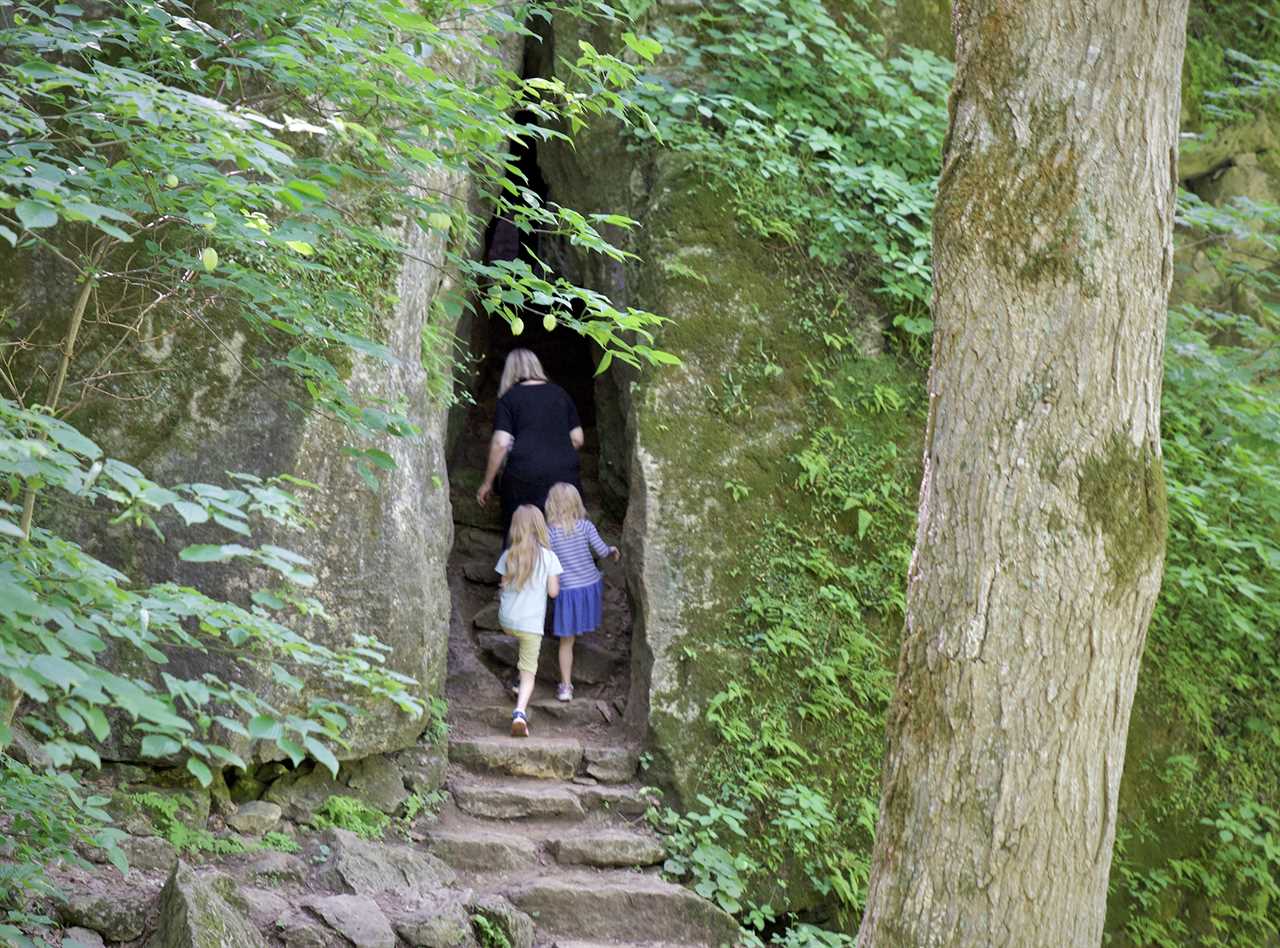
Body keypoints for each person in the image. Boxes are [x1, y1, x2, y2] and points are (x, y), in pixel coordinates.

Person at [476, 348, 584, 544]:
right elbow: (577, 438)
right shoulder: (560, 394)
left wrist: (487, 482)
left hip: (524, 475)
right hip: (565, 473)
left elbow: (501, 442)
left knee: (522, 533)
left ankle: (521, 569)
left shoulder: (508, 399)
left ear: (509, 371)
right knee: (565, 534)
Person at [544, 483, 619, 702]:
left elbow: (547, 562)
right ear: (577, 503)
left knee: (566, 642)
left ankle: (566, 686)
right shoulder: (586, 527)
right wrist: (612, 550)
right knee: (576, 633)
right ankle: (581, 627)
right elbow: (602, 550)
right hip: (588, 587)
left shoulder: (550, 534)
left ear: (551, 505)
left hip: (567, 591)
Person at [495, 505, 562, 737]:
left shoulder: (508, 554)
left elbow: (503, 584)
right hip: (531, 625)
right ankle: (520, 712)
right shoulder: (549, 557)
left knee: (519, 642)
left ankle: (515, 680)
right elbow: (553, 592)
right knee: (529, 672)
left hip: (507, 620)